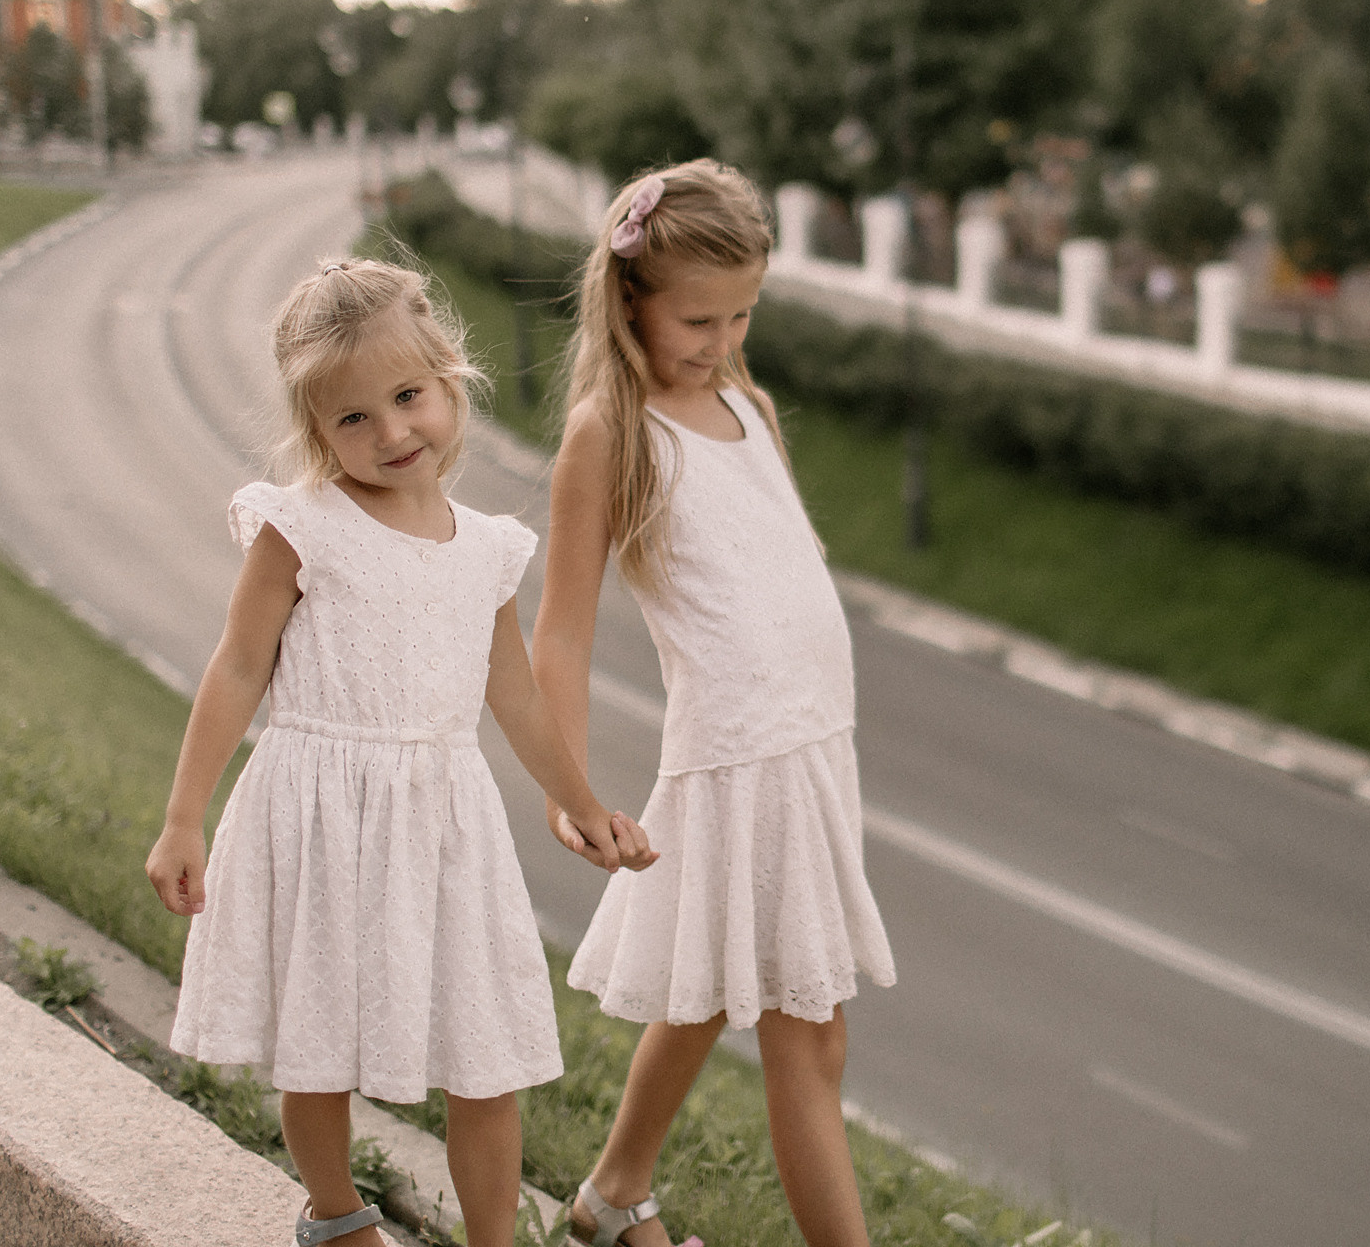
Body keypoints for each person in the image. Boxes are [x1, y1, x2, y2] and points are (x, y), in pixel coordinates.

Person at [145, 258, 654, 1247]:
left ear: (450, 379)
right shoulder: (302, 531)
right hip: (318, 814)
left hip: (443, 823)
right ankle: (335, 1215)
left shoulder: (487, 549)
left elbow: (512, 689)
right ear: (314, 430)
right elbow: (240, 666)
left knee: (486, 1053)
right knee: (317, 1043)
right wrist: (181, 818)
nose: (391, 433)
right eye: (353, 419)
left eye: (409, 397)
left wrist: (580, 801)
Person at [535, 161, 896, 1247]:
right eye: (700, 318)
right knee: (810, 1038)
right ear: (628, 295)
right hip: (740, 755)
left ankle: (611, 1196)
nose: (724, 339)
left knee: (702, 988)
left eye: (744, 313)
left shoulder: (746, 399)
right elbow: (562, 623)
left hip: (810, 744)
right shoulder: (612, 430)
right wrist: (569, 786)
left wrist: (727, 358)